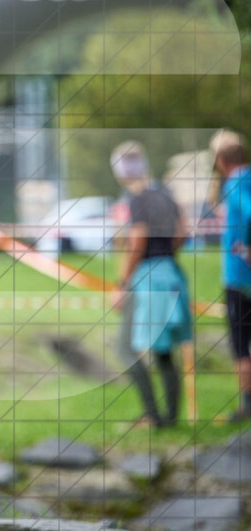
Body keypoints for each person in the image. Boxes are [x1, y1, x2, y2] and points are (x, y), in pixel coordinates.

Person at [110, 141, 191, 428]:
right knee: (164, 350)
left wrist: (122, 283)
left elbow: (137, 241)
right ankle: (168, 419)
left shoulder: (138, 198)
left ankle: (154, 416)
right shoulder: (166, 195)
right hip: (171, 272)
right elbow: (184, 230)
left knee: (124, 348)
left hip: (148, 277)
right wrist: (167, 253)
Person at [210, 130, 251, 421]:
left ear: (221, 160)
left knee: (240, 345)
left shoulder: (236, 183)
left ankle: (247, 406)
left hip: (239, 277)